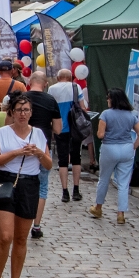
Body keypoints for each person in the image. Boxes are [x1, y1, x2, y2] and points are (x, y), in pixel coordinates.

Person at [0, 93, 52, 278]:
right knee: (6, 236)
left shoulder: (39, 134)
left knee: (22, 237)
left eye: (27, 110)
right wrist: (16, 153)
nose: (23, 114)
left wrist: (39, 154)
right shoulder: (3, 133)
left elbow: (49, 165)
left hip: (29, 184)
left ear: (31, 113)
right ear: (11, 112)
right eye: (19, 110)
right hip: (5, 182)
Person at [89, 88, 139, 225]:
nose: (107, 100)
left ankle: (98, 207)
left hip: (109, 148)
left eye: (108, 98)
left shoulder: (106, 114)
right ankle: (121, 214)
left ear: (113, 99)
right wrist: (133, 146)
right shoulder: (131, 115)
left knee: (104, 179)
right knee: (123, 183)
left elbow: (100, 135)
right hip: (126, 148)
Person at [24, 72, 63, 239]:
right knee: (42, 186)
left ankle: (21, 221)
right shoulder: (50, 100)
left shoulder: (22, 98)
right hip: (43, 147)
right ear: (45, 84)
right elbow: (58, 129)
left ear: (30, 82)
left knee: (21, 183)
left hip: (22, 146)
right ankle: (36, 226)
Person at [48, 69, 87, 203]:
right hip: (75, 127)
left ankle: (65, 192)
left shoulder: (52, 89)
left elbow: (51, 108)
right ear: (70, 77)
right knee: (76, 158)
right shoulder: (76, 87)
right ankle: (76, 189)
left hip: (60, 127)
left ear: (58, 78)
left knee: (62, 160)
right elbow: (82, 107)